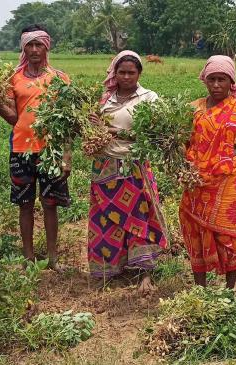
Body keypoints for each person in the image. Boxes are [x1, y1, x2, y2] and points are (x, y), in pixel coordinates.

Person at [86, 51, 168, 293]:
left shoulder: (150, 98)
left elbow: (158, 133)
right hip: (105, 168)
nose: (126, 76)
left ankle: (144, 274)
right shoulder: (103, 101)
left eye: (131, 72)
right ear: (115, 73)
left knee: (140, 219)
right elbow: (91, 133)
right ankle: (108, 270)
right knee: (105, 220)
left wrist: (118, 134)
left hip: (135, 166)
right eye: (121, 72)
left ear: (139, 73)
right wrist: (94, 128)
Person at [0, 24, 72, 271]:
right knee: (25, 204)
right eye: (30, 44)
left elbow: (68, 122)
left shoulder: (59, 79)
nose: (34, 49)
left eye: (39, 44)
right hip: (21, 150)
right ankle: (28, 258)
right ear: (23, 48)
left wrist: (67, 156)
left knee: (50, 204)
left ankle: (53, 258)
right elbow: (13, 118)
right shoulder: (13, 79)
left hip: (51, 152)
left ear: (46, 46)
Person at [180, 55, 236, 289]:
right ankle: (200, 289)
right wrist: (182, 170)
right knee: (197, 233)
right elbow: (182, 144)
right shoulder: (192, 109)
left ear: (231, 81)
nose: (216, 85)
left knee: (231, 237)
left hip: (228, 183)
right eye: (212, 79)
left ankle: (230, 290)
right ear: (204, 80)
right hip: (197, 183)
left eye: (221, 80)